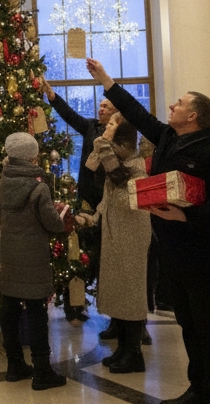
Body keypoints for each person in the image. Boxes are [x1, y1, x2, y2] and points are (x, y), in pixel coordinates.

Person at [87, 58, 210, 404]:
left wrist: (187, 217)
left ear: (194, 116)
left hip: (196, 246)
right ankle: (197, 386)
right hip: (169, 244)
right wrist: (107, 81)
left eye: (180, 104)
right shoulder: (169, 136)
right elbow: (137, 113)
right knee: (186, 320)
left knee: (206, 322)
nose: (173, 106)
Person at [73, 113, 151, 373]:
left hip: (131, 235)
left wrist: (108, 134)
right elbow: (94, 170)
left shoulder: (134, 167)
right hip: (115, 234)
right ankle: (123, 348)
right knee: (119, 293)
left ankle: (134, 353)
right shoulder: (116, 170)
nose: (104, 131)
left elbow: (117, 182)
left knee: (130, 293)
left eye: (110, 128)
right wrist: (90, 219)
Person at [0, 131, 68, 391]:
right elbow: (52, 223)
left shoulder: (2, 184)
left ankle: (14, 365)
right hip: (34, 257)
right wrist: (62, 218)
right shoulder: (39, 187)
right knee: (37, 313)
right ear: (33, 156)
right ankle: (42, 371)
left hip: (10, 256)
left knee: (10, 310)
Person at [42, 80, 114, 323]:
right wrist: (52, 97)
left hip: (111, 202)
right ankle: (76, 305)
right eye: (100, 106)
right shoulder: (91, 127)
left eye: (106, 106)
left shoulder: (123, 135)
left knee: (109, 257)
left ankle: (117, 314)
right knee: (80, 255)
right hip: (86, 199)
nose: (100, 109)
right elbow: (70, 115)